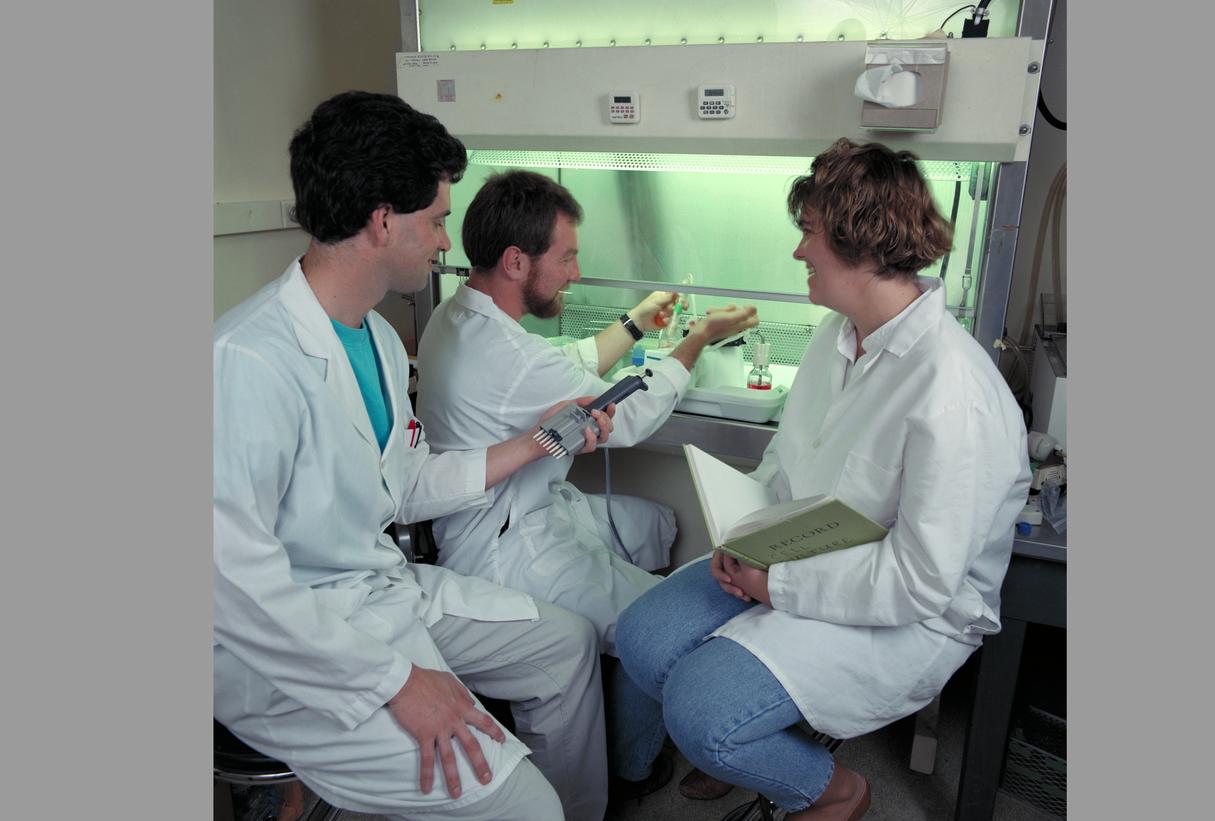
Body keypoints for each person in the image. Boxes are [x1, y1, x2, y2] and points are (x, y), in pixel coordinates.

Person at [213, 91, 619, 821]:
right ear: (381, 220)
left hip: (377, 591)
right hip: (289, 649)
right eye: (434, 219)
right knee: (522, 805)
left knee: (565, 643)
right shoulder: (247, 361)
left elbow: (401, 483)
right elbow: (234, 585)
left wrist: (537, 440)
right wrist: (397, 681)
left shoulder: (370, 335)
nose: (443, 242)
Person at [614, 139, 1031, 821]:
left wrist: (776, 584)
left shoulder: (952, 393)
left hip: (911, 612)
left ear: (862, 242)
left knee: (701, 708)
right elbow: (786, 459)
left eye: (808, 232)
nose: (798, 251)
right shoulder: (836, 335)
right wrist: (740, 537)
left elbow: (922, 580)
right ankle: (757, 738)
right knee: (641, 636)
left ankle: (831, 789)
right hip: (791, 555)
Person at [415, 169, 757, 794]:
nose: (575, 272)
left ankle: (626, 718)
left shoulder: (455, 316)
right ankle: (630, 764)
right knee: (662, 626)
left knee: (655, 523)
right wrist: (698, 339)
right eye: (567, 257)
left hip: (518, 512)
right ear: (518, 261)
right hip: (510, 547)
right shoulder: (511, 358)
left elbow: (562, 366)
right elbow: (631, 415)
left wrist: (633, 324)